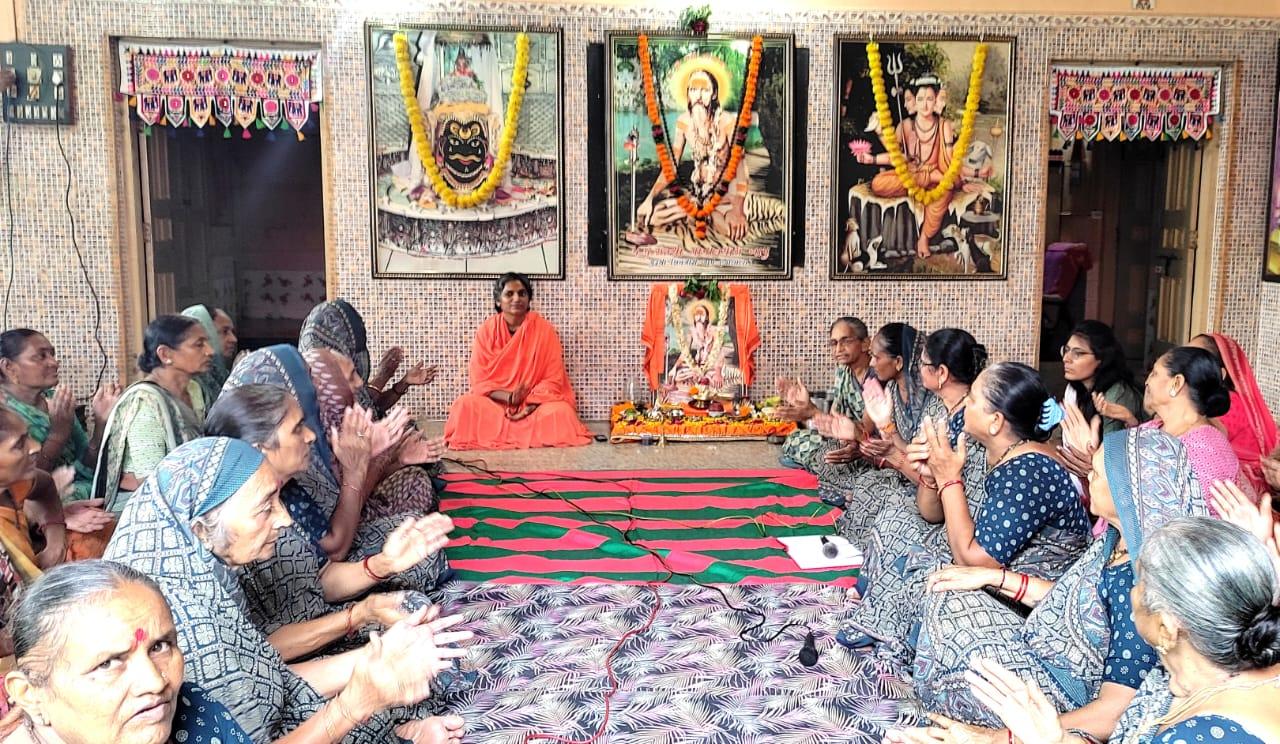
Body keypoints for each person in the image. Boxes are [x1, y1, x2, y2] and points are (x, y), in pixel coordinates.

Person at [104, 437, 469, 743]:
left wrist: (375, 659)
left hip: (283, 704)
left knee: (407, 672)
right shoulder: (182, 624)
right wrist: (358, 698)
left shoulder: (204, 576)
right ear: (201, 529)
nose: (285, 518)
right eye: (265, 507)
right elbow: (263, 707)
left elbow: (269, 680)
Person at [908, 427, 1206, 739]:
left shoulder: (1146, 584)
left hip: (1063, 700)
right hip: (1046, 647)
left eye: (1100, 474)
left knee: (951, 616)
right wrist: (993, 577)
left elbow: (1116, 710)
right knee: (947, 590)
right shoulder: (1117, 540)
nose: (1089, 477)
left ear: (1129, 493)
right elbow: (1075, 600)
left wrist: (1005, 736)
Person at [934, 517, 1280, 744]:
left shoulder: (1203, 735)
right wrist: (1057, 737)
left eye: (1139, 582)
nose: (1131, 590)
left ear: (1167, 626)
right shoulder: (1182, 677)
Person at [840, 361, 1090, 656]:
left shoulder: (1030, 470)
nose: (965, 405)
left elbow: (973, 561)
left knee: (932, 571)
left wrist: (949, 478)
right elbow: (931, 513)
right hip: (979, 556)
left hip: (1028, 597)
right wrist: (932, 475)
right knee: (900, 519)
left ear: (995, 421)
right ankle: (881, 614)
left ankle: (901, 635)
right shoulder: (981, 442)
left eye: (972, 400)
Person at [205, 384, 453, 644]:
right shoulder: (231, 527)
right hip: (304, 650)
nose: (311, 435)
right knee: (423, 626)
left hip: (323, 618)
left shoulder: (287, 490)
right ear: (260, 449)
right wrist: (359, 617)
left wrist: (384, 564)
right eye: (298, 428)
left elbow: (320, 578)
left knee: (424, 602)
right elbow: (263, 648)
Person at [221, 345, 448, 594]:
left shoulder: (294, 459)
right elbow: (335, 548)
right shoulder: (246, 501)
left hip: (338, 557)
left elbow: (328, 561)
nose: (360, 383)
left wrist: (388, 457)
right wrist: (377, 458)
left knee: (417, 527)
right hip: (338, 557)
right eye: (348, 376)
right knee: (420, 559)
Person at [0, 560, 251, 744]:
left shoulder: (197, 710)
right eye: (108, 663)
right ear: (30, 694)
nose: (155, 682)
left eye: (159, 646)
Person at [1063, 346, 1248, 516]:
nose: (1146, 382)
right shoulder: (1152, 428)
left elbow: (1160, 519)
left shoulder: (1204, 451)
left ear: (1176, 383)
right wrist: (1093, 469)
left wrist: (1096, 470)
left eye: (1154, 373)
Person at [813, 322, 941, 543]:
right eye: (834, 343)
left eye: (876, 357)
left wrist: (874, 448)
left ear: (898, 362)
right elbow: (887, 442)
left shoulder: (932, 402)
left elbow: (925, 468)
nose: (872, 363)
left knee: (878, 498)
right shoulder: (890, 388)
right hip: (906, 470)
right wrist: (859, 438)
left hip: (928, 484)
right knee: (861, 482)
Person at [444, 273, 592, 450]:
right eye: (509, 294)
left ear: (529, 299)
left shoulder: (544, 331)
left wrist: (528, 404)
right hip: (496, 405)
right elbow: (480, 382)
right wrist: (510, 398)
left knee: (562, 412)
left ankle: (506, 432)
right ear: (498, 301)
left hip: (534, 405)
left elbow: (553, 378)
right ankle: (519, 433)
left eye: (522, 294)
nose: (516, 298)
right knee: (463, 406)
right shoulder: (486, 332)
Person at [92, 315, 213, 514]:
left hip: (185, 497)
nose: (210, 351)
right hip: (144, 506)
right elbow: (150, 482)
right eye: (199, 345)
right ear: (165, 354)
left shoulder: (194, 389)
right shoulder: (145, 401)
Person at [0, 329, 121, 502]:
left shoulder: (55, 401)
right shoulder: (4, 415)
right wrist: (57, 435)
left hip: (84, 494)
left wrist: (102, 422)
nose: (54, 362)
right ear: (8, 367)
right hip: (37, 509)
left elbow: (87, 467)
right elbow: (24, 487)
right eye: (41, 356)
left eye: (52, 354)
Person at [635, 64, 752, 241]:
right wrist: (649, 198)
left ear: (714, 95)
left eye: (704, 90)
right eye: (693, 89)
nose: (697, 95)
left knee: (729, 229)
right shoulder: (683, 123)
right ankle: (702, 214)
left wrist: (738, 210)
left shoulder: (727, 123)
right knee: (654, 215)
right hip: (699, 193)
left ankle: (706, 215)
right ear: (688, 94)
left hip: (728, 195)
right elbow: (671, 166)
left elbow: (742, 170)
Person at [298, 299, 435, 415]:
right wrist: (383, 376)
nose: (358, 382)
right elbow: (364, 413)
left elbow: (370, 407)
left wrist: (404, 382)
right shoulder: (319, 385)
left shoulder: (335, 369)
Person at [778, 316, 873, 475]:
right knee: (795, 438)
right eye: (834, 343)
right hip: (844, 440)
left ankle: (834, 471)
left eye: (846, 341)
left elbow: (865, 433)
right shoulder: (843, 372)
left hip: (867, 447)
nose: (838, 349)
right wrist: (809, 409)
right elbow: (833, 421)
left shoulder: (877, 376)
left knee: (829, 457)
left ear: (865, 343)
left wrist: (813, 413)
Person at [1188, 333, 1279, 494]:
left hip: (1244, 494)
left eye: (1195, 360)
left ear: (1220, 373)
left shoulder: (1228, 403)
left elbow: (1196, 440)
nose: (1183, 363)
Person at [1062, 320, 1143, 434]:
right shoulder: (1073, 389)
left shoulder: (1116, 394)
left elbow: (1112, 450)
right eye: (1066, 350)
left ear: (1101, 358)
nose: (1066, 358)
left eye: (1077, 354)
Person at [180, 305, 238, 406]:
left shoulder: (218, 372)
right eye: (225, 332)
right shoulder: (190, 383)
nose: (233, 339)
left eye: (232, 332)